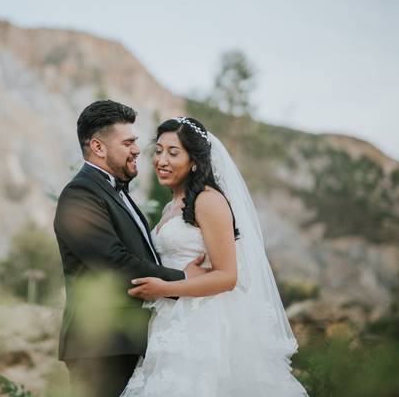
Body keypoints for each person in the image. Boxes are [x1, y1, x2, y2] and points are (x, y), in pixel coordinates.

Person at [121, 116, 308, 396]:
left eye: (173, 153)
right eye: (158, 150)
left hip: (204, 322)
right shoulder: (171, 206)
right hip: (170, 319)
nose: (161, 160)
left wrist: (165, 288)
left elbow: (227, 276)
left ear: (194, 160)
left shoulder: (209, 201)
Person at [53, 101, 207, 397]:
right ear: (98, 147)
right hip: (100, 346)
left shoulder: (114, 191)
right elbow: (114, 263)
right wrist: (184, 279)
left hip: (129, 341)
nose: (138, 149)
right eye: (128, 142)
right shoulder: (80, 195)